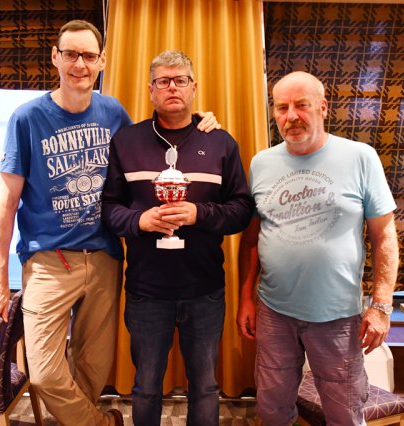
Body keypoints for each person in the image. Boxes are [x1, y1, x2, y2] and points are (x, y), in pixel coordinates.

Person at [0, 21, 218, 426]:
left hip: (105, 257)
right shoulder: (27, 118)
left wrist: (197, 122)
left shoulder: (112, 112)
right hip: (49, 261)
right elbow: (7, 202)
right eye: (71, 54)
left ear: (101, 61)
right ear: (55, 58)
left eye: (89, 56)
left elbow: (151, 146)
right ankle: (103, 424)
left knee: (91, 369)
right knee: (44, 373)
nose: (80, 64)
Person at [237, 71, 399, 426]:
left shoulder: (360, 157)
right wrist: (246, 297)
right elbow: (251, 238)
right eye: (282, 107)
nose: (291, 116)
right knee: (272, 408)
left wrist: (381, 306)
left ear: (323, 107)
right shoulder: (261, 163)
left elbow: (384, 236)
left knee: (344, 412)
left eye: (302, 105)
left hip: (337, 316)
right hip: (275, 312)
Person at [101, 50, 254, 426]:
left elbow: (241, 210)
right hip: (146, 290)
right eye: (163, 81)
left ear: (193, 87)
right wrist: (141, 221)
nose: (172, 87)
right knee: (146, 387)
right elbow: (109, 209)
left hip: (205, 289)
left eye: (180, 80)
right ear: (151, 90)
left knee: (205, 387)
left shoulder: (220, 142)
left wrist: (199, 214)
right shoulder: (127, 141)